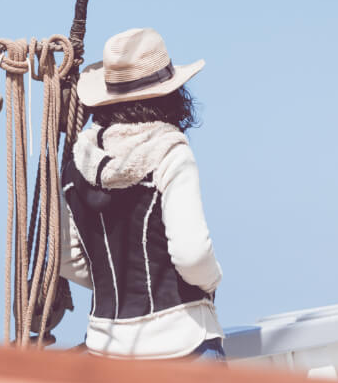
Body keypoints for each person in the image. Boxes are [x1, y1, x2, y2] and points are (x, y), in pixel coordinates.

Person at [60, 27, 224, 361]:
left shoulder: (76, 161)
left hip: (105, 350)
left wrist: (113, 284)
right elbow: (192, 256)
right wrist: (211, 281)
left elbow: (68, 260)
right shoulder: (171, 153)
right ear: (170, 95)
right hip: (183, 345)